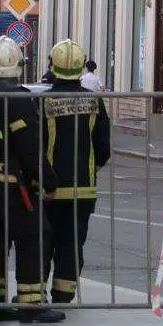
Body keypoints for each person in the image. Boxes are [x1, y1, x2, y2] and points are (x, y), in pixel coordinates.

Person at [0, 36, 63, 323]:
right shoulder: (19, 100)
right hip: (14, 183)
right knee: (33, 237)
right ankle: (32, 304)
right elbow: (29, 147)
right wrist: (48, 181)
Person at [43, 40, 111, 304]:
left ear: (52, 66)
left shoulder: (42, 100)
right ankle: (64, 294)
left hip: (46, 188)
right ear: (81, 67)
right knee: (72, 243)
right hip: (83, 188)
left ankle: (35, 295)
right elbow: (103, 146)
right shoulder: (94, 102)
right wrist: (91, 168)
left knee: (43, 242)